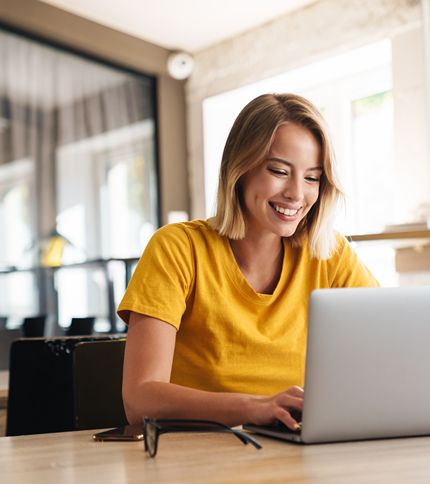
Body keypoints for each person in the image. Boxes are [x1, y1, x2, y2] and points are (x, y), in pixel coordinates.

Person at [118, 93, 379, 431]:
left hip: (296, 451)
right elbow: (139, 401)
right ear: (240, 169)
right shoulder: (178, 248)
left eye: (312, 177)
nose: (297, 194)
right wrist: (254, 407)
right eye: (279, 171)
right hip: (199, 456)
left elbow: (387, 354)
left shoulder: (329, 254)